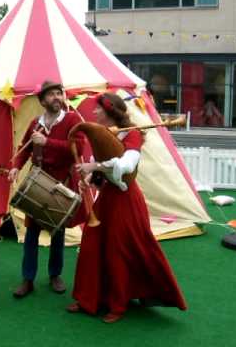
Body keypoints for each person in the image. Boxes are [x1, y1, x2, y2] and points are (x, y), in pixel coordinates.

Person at [68, 92, 187, 323]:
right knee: (92, 245)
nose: (94, 112)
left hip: (126, 201)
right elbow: (100, 170)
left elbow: (125, 165)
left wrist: (95, 165)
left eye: (98, 109)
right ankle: (89, 298)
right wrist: (89, 177)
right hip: (107, 200)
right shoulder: (103, 135)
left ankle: (118, 304)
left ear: (110, 110)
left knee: (118, 251)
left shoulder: (132, 135)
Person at [8, 80, 83, 298]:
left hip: (60, 182)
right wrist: (15, 167)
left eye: (59, 93)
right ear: (42, 101)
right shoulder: (35, 123)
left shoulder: (72, 119)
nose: (56, 98)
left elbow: (78, 147)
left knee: (57, 231)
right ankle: (28, 279)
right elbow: (24, 149)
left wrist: (47, 141)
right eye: (51, 95)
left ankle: (54, 275)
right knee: (31, 232)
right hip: (37, 181)